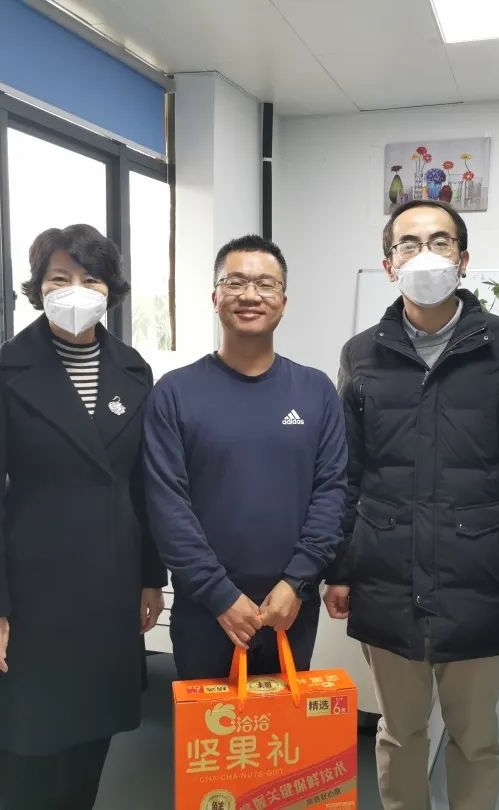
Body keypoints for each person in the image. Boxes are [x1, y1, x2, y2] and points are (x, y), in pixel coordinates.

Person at [323, 200, 499, 810]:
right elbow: (348, 472)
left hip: (478, 570)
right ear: (389, 264)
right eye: (408, 244)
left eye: (440, 241)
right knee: (399, 734)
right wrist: (340, 567)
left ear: (463, 258)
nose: (424, 255)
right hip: (386, 571)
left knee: (475, 739)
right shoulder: (361, 353)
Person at [0, 224, 166, 810]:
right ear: (38, 288)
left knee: (89, 742)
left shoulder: (133, 370)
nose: (75, 291)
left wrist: (152, 576)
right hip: (30, 593)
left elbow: (142, 484)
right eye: (59, 278)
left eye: (90, 279)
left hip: (110, 585)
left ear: (111, 290)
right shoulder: (3, 371)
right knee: (28, 747)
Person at [142, 234, 347, 679]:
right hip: (204, 609)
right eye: (235, 282)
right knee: (211, 724)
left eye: (265, 285)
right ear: (215, 297)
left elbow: (332, 492)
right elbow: (166, 505)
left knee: (283, 723)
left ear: (284, 302)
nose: (250, 295)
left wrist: (296, 582)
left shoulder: (315, 391)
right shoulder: (174, 393)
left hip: (291, 607)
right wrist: (219, 595)